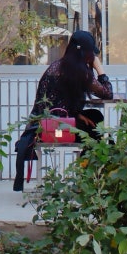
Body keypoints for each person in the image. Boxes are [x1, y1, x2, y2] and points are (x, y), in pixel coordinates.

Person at [13, 29, 113, 192]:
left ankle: (88, 176)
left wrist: (77, 115)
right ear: (86, 53)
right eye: (92, 54)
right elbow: (107, 94)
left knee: (94, 117)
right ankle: (91, 178)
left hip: (41, 127)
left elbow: (55, 103)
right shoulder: (81, 72)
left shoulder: (56, 67)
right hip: (59, 130)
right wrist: (100, 70)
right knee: (98, 130)